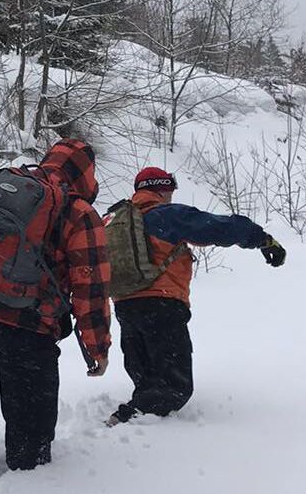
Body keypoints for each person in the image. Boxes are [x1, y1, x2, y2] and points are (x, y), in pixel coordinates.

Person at [0, 139, 112, 492]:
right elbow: (91, 288)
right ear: (85, 174)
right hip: (30, 327)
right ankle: (24, 493)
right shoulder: (79, 213)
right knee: (30, 414)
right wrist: (97, 348)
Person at [105, 166, 286, 426]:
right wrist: (263, 240)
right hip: (162, 305)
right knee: (173, 386)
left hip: (124, 306)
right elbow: (219, 227)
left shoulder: (112, 221)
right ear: (163, 189)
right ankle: (129, 424)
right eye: (170, 191)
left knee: (147, 378)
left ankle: (137, 422)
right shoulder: (165, 216)